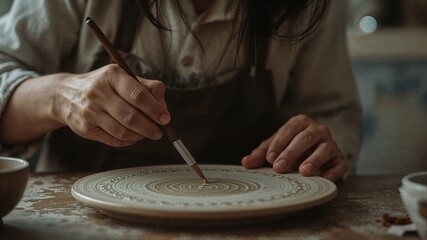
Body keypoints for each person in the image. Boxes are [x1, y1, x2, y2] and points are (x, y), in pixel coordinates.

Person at [0, 0, 362, 182]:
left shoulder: (308, 5)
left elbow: (334, 112)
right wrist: (60, 96)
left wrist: (317, 145)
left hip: (247, 225)